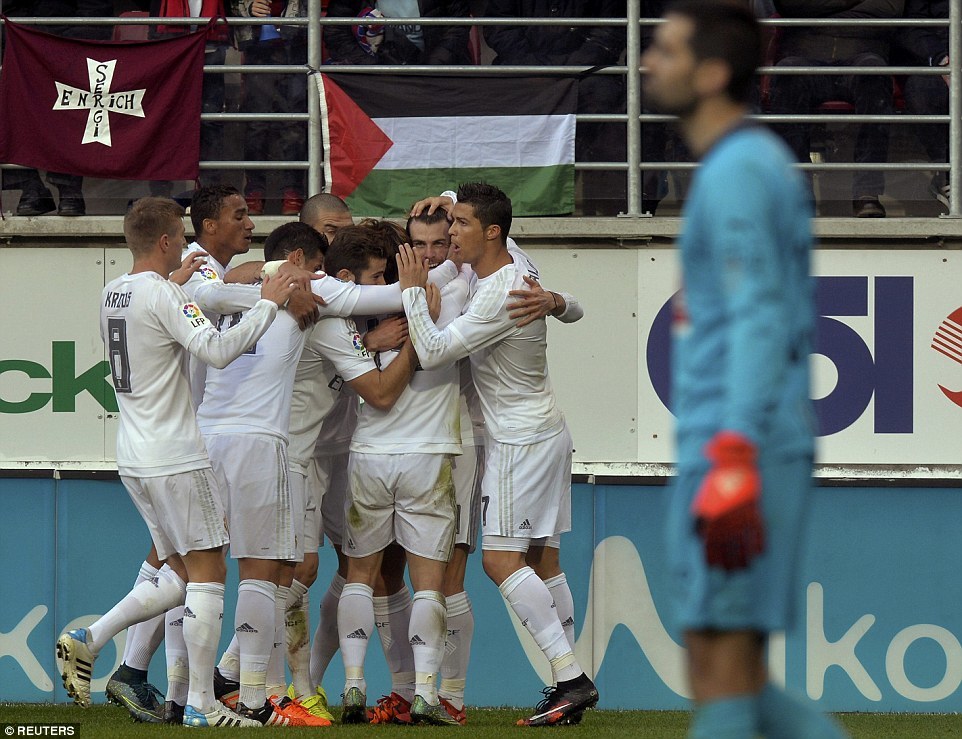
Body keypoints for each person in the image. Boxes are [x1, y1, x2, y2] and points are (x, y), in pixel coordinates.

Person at [641, 2, 847, 737]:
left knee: (721, 663)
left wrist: (733, 451)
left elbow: (759, 313)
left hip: (741, 445)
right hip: (739, 439)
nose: (645, 63)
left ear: (714, 71)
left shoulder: (738, 171)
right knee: (728, 666)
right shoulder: (743, 165)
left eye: (664, 50)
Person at [56, 196, 294, 728]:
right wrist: (268, 304)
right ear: (166, 241)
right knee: (209, 574)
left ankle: (90, 637)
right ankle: (202, 705)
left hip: (133, 455)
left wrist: (178, 284)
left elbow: (153, 323)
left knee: (181, 574)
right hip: (176, 455)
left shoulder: (112, 291)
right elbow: (215, 350)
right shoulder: (164, 294)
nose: (185, 244)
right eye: (181, 236)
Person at [396, 182, 597, 727]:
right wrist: (557, 301)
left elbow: (435, 353)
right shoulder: (516, 264)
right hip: (548, 430)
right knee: (544, 561)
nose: (449, 233)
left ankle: (571, 679)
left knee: (499, 560)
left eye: (459, 225)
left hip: (518, 441)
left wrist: (414, 290)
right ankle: (564, 684)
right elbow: (575, 307)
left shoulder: (495, 294)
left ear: (490, 233)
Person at [483, 0, 627, 216]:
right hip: (522, 72)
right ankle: (507, 206)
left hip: (590, 73)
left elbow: (610, 32)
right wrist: (538, 68)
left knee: (606, 102)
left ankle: (598, 207)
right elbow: (499, 27)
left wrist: (567, 68)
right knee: (495, 100)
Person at [768, 0, 905, 218]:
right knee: (787, 75)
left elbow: (889, 9)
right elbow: (791, 6)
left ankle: (866, 193)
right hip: (804, 56)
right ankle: (797, 192)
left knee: (874, 74)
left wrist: (818, 19)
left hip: (862, 55)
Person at [1, 0, 112, 216]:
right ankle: (29, 187)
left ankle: (68, 190)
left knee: (67, 111)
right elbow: (7, 10)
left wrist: (53, 43)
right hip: (23, 46)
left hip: (69, 48)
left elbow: (97, 13)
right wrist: (29, 41)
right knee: (9, 106)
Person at [230, 0, 308, 215]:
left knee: (294, 122)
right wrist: (248, 8)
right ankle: (255, 191)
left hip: (296, 48)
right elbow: (230, 6)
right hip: (258, 51)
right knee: (256, 123)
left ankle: (293, 191)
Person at [891, 0, 949, 209]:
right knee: (921, 89)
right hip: (939, 62)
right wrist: (943, 59)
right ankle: (948, 172)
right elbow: (910, 27)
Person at [324, 0, 472, 66]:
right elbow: (335, 30)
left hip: (437, 73)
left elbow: (459, 26)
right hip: (375, 79)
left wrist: (434, 64)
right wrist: (370, 66)